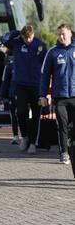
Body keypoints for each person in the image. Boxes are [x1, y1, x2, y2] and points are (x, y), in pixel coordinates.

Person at [1, 25, 47, 154]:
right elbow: (3, 38)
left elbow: (47, 65)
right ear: (22, 36)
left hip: (36, 86)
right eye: (26, 37)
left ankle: (33, 143)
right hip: (20, 85)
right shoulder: (16, 43)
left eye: (30, 37)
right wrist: (16, 32)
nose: (28, 40)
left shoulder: (40, 46)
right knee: (20, 113)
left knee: (36, 115)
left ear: (33, 35)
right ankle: (25, 137)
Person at [40, 24, 75, 166]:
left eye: (63, 34)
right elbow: (44, 75)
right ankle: (64, 153)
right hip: (59, 97)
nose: (61, 36)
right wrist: (42, 95)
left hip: (74, 95)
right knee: (62, 124)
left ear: (70, 34)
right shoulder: (52, 52)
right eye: (59, 34)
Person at [0, 53, 20, 145]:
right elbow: (5, 81)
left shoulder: (11, 66)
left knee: (20, 115)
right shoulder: (10, 66)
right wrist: (2, 96)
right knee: (15, 116)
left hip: (23, 94)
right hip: (13, 94)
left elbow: (4, 82)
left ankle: (22, 136)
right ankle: (16, 136)